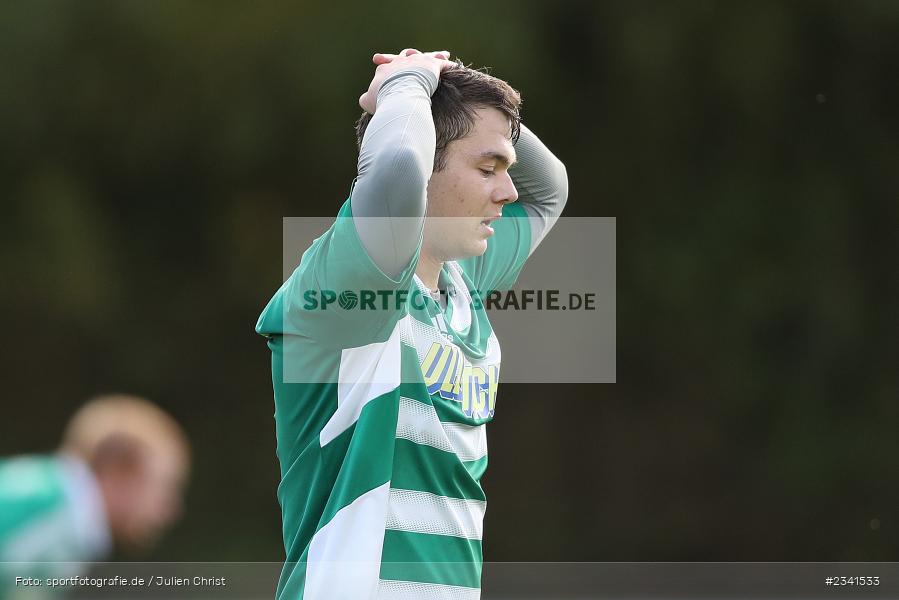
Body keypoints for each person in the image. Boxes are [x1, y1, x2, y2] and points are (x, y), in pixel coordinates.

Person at [256, 47, 568, 599]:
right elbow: (397, 167)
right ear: (427, 163)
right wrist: (407, 81)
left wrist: (450, 81)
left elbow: (550, 190)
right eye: (487, 168)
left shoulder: (459, 277)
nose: (508, 190)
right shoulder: (353, 281)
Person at [0, 394, 190, 595]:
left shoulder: (70, 526)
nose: (169, 510)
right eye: (165, 487)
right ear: (119, 470)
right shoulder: (48, 505)